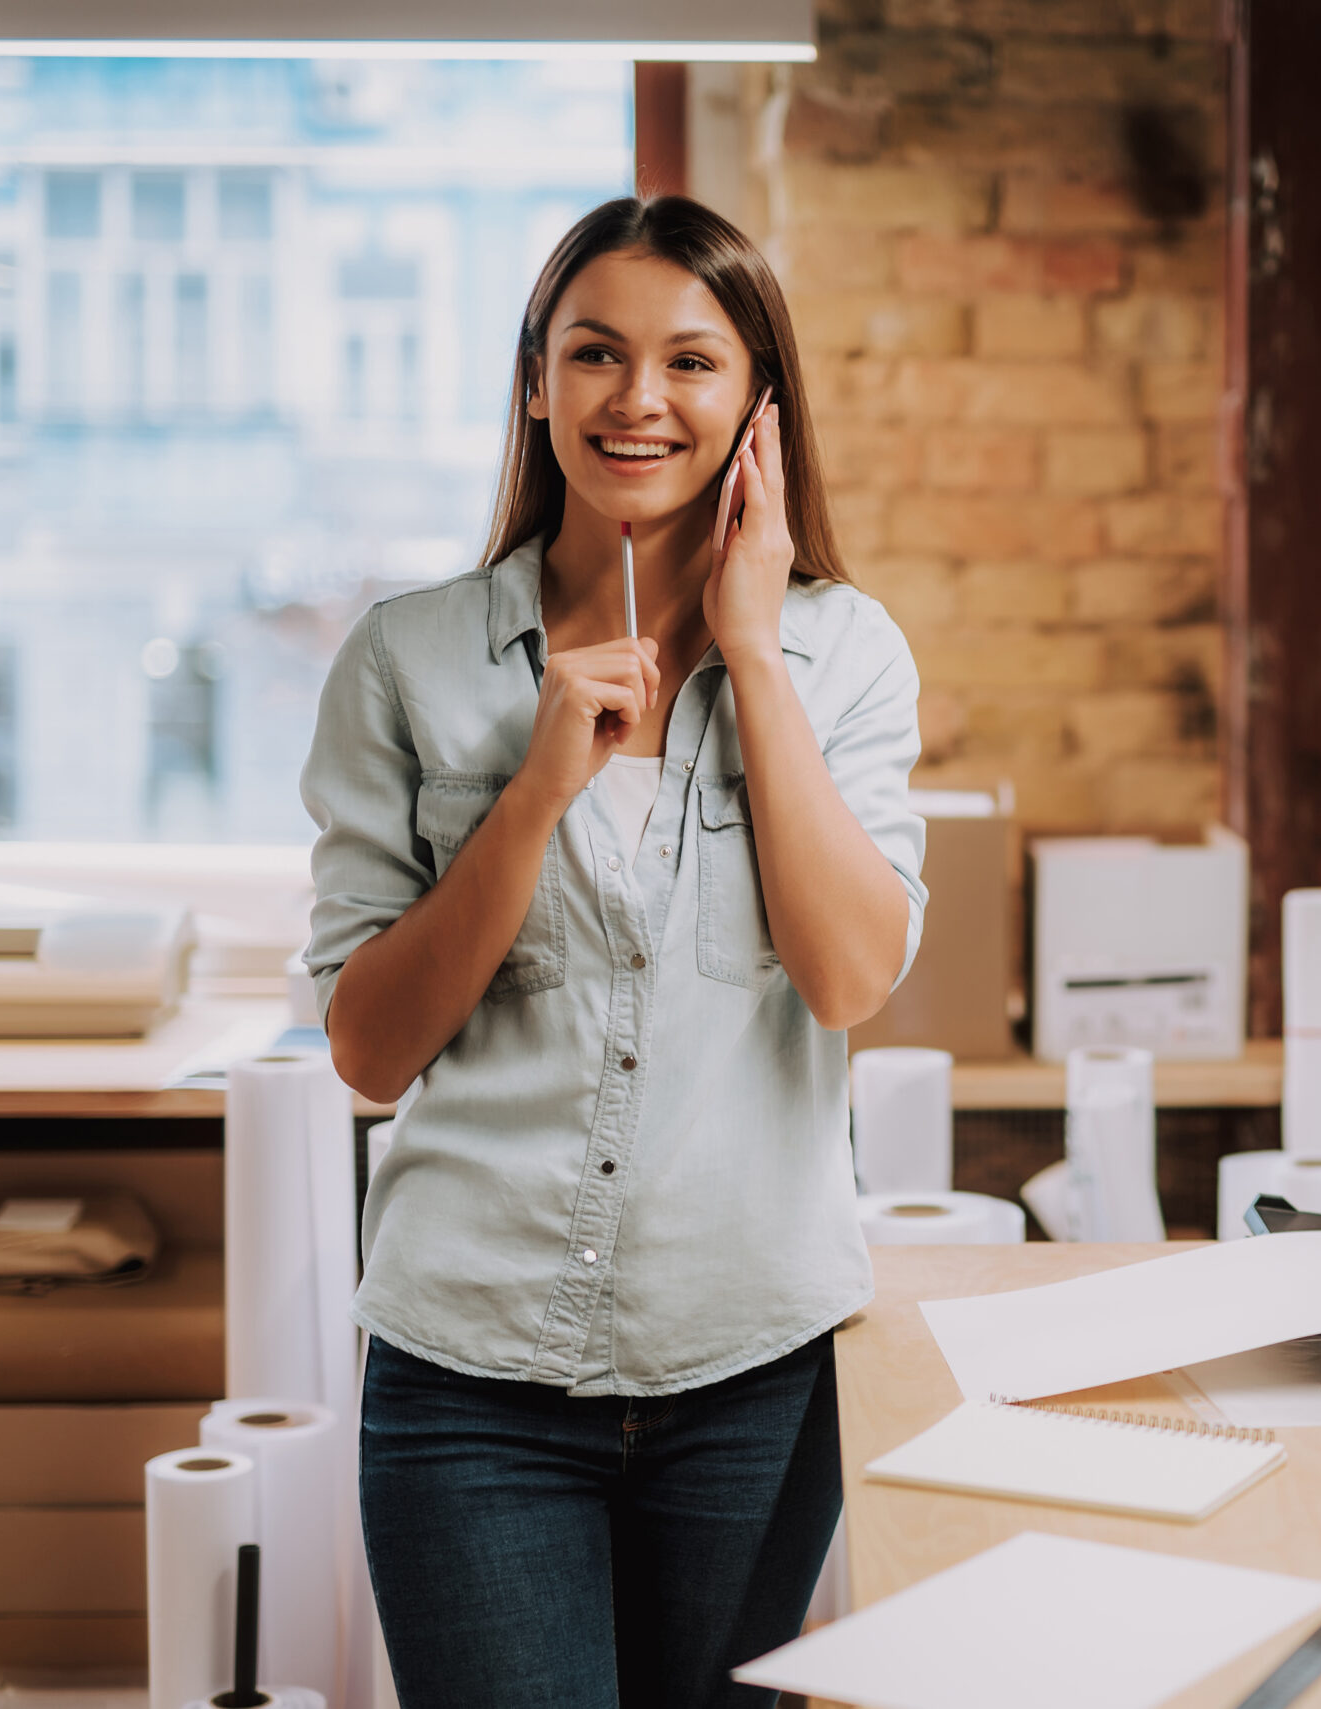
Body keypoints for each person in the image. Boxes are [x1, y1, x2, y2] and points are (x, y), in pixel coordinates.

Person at [300, 195, 926, 1709]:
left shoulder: (847, 652)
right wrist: (533, 792)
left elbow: (849, 977)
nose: (639, 400)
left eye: (692, 362)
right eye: (595, 354)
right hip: (468, 1377)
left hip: (750, 1369)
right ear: (535, 383)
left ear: (758, 402)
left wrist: (756, 651)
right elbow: (369, 1050)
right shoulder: (409, 658)